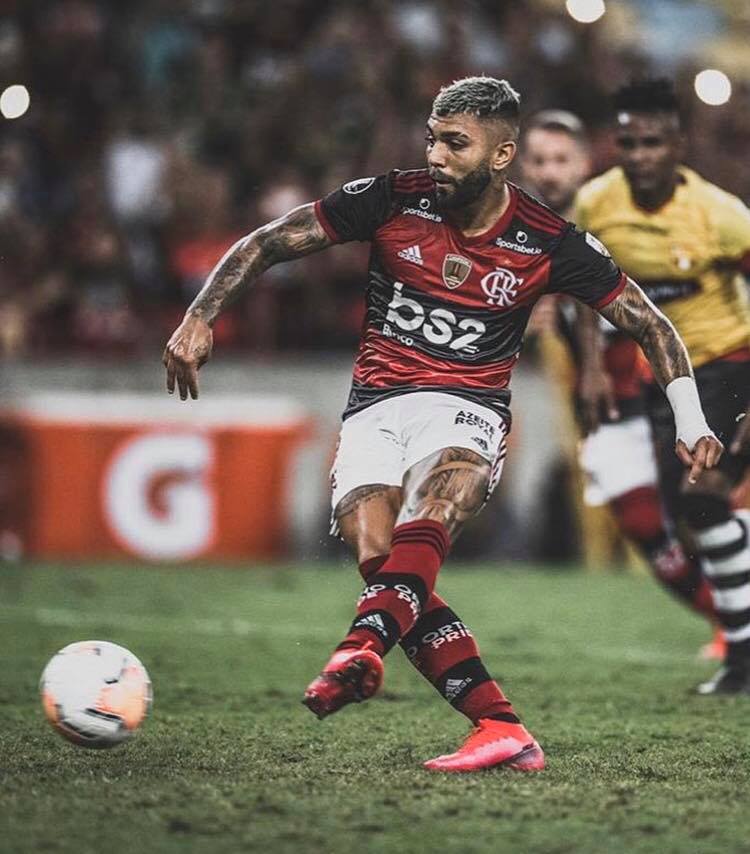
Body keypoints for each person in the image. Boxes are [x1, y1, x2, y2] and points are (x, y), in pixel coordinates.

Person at [163, 77, 722, 771]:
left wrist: (690, 419)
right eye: (432, 138)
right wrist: (199, 315)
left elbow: (650, 324)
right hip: (375, 406)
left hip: (468, 408)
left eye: (455, 143)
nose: (435, 155)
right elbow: (270, 241)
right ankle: (500, 726)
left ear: (501, 155)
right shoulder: (392, 198)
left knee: (437, 502)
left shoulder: (549, 241)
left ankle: (360, 646)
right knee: (383, 564)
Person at [574, 78, 750, 694]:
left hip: (728, 360)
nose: (640, 156)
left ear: (679, 144)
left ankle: (742, 661)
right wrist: (592, 365)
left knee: (703, 499)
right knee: (689, 518)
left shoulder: (721, 216)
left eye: (652, 143)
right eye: (629, 143)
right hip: (665, 377)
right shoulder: (596, 203)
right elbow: (581, 288)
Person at [521, 110, 720, 653]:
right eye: (539, 160)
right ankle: (729, 624)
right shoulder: (517, 231)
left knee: (706, 505)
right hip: (613, 405)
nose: (549, 171)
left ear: (584, 163)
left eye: (561, 159)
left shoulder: (620, 215)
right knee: (643, 523)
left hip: (670, 384)